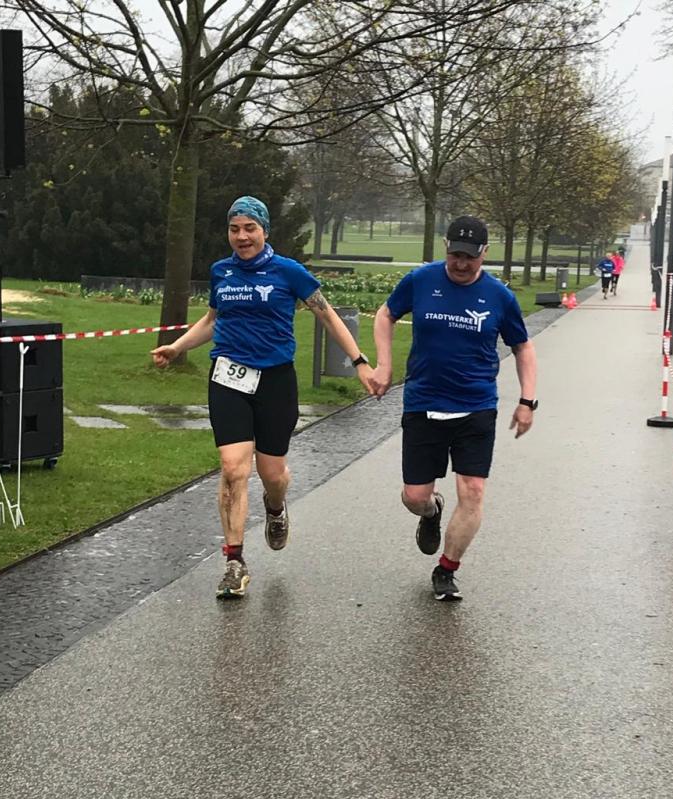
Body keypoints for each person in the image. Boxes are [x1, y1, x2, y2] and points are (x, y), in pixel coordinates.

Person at [151, 196, 374, 599]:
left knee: (273, 475)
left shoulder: (288, 272)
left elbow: (327, 314)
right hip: (228, 378)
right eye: (234, 229)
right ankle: (234, 562)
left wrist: (358, 361)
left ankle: (275, 507)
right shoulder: (221, 272)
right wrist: (178, 346)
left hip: (275, 382)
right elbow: (213, 320)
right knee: (233, 467)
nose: (242, 237)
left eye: (250, 228)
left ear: (265, 231)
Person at [369, 215, 537, 601]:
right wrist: (384, 364)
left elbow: (523, 347)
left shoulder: (499, 296)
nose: (461, 263)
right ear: (446, 248)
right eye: (455, 254)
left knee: (473, 491)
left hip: (476, 405)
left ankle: (446, 569)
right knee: (414, 496)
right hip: (424, 403)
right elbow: (385, 314)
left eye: (470, 257)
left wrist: (527, 400)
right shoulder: (421, 280)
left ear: (485, 253)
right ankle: (431, 512)